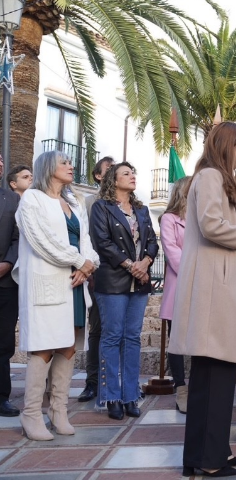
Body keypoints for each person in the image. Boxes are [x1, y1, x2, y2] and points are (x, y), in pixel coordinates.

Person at [169, 122, 236, 477]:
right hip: (214, 292)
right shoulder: (210, 177)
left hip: (218, 287)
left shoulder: (212, 178)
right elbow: (213, 225)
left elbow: (222, 235)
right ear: (226, 145)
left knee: (212, 378)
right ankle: (210, 460)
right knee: (215, 378)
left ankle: (206, 454)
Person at [13, 151, 99, 440]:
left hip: (74, 282)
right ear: (48, 167)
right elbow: (40, 240)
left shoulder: (74, 202)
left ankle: (58, 411)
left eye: (70, 162)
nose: (70, 166)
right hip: (48, 281)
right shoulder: (32, 199)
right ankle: (31, 413)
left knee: (69, 345)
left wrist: (87, 266)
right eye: (64, 162)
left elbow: (86, 241)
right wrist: (78, 261)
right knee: (44, 346)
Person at [90, 162, 159, 420]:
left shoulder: (141, 209)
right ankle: (111, 397)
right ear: (113, 180)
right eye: (126, 173)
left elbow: (152, 241)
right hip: (112, 281)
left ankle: (131, 396)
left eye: (133, 173)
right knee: (112, 337)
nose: (132, 176)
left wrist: (146, 263)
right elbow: (103, 243)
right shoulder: (101, 207)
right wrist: (132, 265)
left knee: (132, 338)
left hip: (139, 282)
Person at [78, 155, 114, 403]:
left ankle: (116, 382)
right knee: (98, 329)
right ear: (98, 176)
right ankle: (92, 382)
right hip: (97, 275)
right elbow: (86, 239)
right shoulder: (89, 203)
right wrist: (90, 271)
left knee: (120, 332)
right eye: (109, 169)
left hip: (123, 276)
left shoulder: (126, 203)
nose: (114, 171)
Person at [158, 176, 190, 413]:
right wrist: (194, 271)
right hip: (179, 284)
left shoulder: (202, 218)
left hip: (202, 285)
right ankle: (181, 388)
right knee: (176, 340)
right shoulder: (169, 219)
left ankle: (197, 386)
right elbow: (171, 250)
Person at [0, 154, 19, 418]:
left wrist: (7, 262)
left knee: (3, 342)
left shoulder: (13, 199)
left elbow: (18, 238)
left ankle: (2, 396)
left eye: (1, 161)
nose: (1, 164)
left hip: (5, 283)